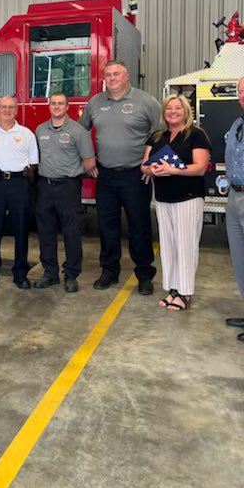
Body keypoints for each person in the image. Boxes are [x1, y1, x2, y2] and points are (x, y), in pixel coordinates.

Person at [79, 60, 161, 294]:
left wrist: (152, 164)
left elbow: (164, 133)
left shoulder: (146, 101)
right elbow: (80, 131)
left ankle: (144, 275)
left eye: (116, 74)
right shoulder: (95, 102)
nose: (112, 78)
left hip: (136, 176)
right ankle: (109, 271)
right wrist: (87, 156)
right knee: (107, 226)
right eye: (108, 75)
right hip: (105, 176)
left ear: (126, 76)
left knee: (139, 226)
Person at [141, 94, 210, 311]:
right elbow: (144, 165)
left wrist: (172, 170)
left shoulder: (196, 135)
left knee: (185, 245)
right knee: (169, 246)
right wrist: (151, 170)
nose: (173, 112)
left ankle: (185, 292)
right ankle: (172, 289)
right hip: (163, 199)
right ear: (164, 112)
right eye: (169, 108)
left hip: (188, 198)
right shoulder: (157, 136)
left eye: (178, 108)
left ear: (186, 111)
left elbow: (200, 167)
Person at [34, 92, 96, 293]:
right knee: (46, 232)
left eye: (61, 103)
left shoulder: (78, 131)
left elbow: (89, 162)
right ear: (49, 106)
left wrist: (70, 173)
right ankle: (50, 273)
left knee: (71, 232)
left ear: (67, 107)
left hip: (68, 187)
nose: (57, 106)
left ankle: (71, 274)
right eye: (53, 103)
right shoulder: (40, 130)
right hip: (44, 186)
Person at [0, 96, 38, 289]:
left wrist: (22, 182)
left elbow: (33, 164)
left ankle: (20, 274)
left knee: (21, 229)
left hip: (19, 184)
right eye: (3, 107)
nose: (7, 110)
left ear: (16, 109)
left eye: (11, 107)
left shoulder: (26, 134)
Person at [224, 76, 244, 342]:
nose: (243, 95)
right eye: (240, 91)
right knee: (239, 259)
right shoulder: (237, 124)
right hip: (235, 195)